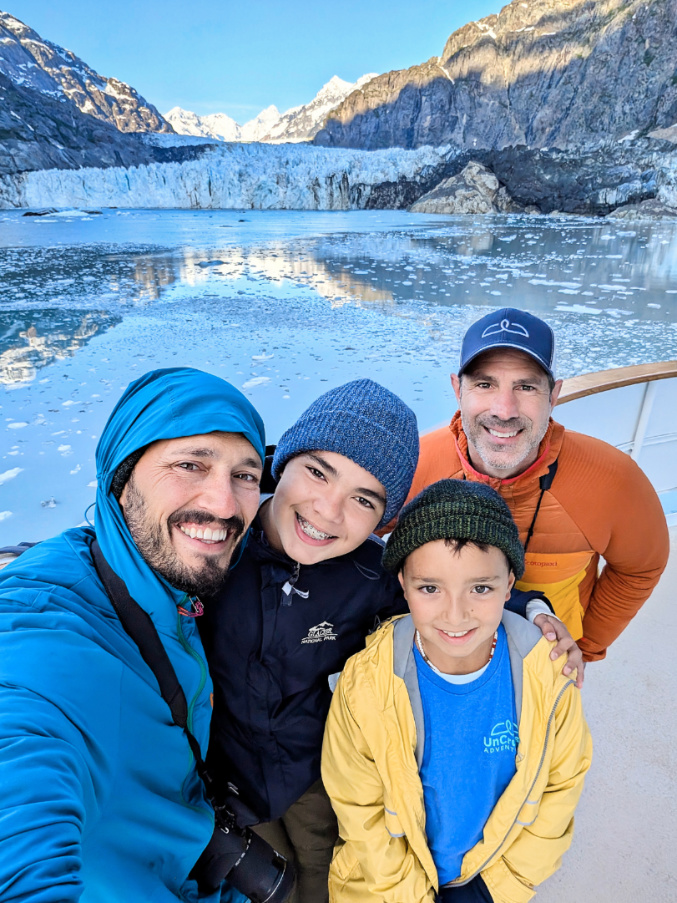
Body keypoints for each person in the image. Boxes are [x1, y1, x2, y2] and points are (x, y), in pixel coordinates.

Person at [199, 379, 581, 903]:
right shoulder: (212, 544)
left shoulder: (370, 575)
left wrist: (533, 610)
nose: (328, 511)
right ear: (281, 462)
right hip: (222, 775)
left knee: (318, 879)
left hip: (314, 773)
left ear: (383, 519)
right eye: (316, 471)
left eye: (363, 499)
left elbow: (449, 592)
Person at [0, 367, 266, 902]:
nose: (223, 505)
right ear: (122, 482)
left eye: (246, 475)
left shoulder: (160, 577)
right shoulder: (46, 634)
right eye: (190, 464)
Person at [322, 479, 593, 903]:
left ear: (510, 587)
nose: (455, 614)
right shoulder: (365, 683)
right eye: (430, 588)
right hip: (387, 889)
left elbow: (561, 788)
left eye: (480, 588)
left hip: (488, 883)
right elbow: (357, 806)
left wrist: (496, 889)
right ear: (404, 586)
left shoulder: (549, 675)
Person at [403, 307, 669, 661]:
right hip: (435, 658)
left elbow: (640, 567)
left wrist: (586, 645)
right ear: (457, 389)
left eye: (526, 386)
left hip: (548, 660)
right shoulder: (415, 464)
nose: (504, 409)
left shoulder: (612, 479)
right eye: (485, 384)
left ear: (553, 395)